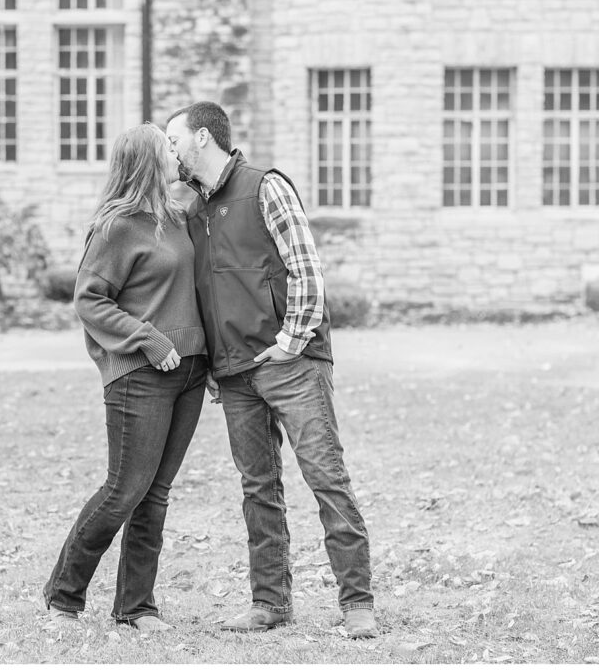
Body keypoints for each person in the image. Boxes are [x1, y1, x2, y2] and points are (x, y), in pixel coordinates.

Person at [166, 102, 379, 639]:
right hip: (235, 373)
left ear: (202, 139)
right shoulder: (195, 211)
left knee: (326, 478)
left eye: (174, 140)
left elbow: (307, 268)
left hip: (291, 363)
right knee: (258, 487)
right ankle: (269, 604)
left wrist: (290, 342)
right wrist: (215, 363)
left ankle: (357, 604)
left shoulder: (266, 187)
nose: (169, 151)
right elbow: (207, 291)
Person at [42, 122, 209, 632]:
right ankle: (64, 593)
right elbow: (89, 300)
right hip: (139, 374)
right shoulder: (117, 226)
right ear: (147, 161)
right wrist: (149, 339)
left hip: (190, 373)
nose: (175, 155)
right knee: (124, 489)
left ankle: (136, 607)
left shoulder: (177, 215)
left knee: (155, 493)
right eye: (167, 149)